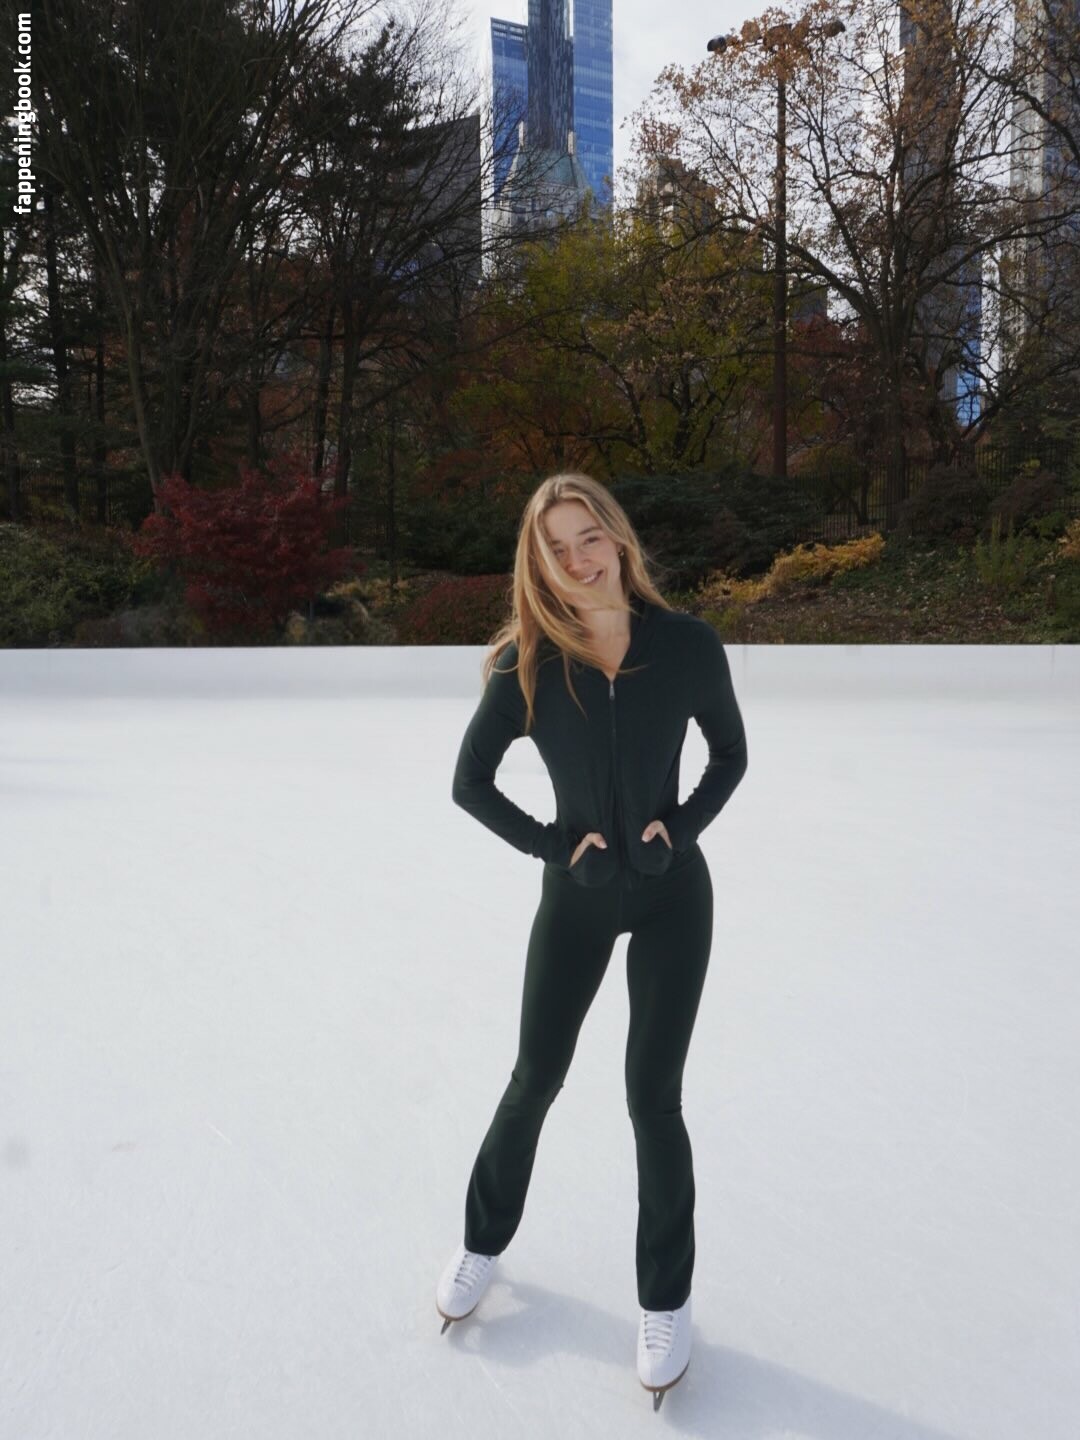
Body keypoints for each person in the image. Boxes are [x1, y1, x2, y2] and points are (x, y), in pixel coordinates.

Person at [435, 471, 748, 1408]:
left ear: (616, 536)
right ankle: (481, 1243)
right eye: (556, 548)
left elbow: (730, 756)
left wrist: (676, 832)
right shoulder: (527, 663)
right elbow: (470, 783)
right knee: (534, 1078)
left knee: (653, 1097)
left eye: (588, 538)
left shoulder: (686, 646)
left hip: (672, 899)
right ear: (538, 563)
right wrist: (554, 847)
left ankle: (666, 1301)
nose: (577, 560)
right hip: (577, 902)